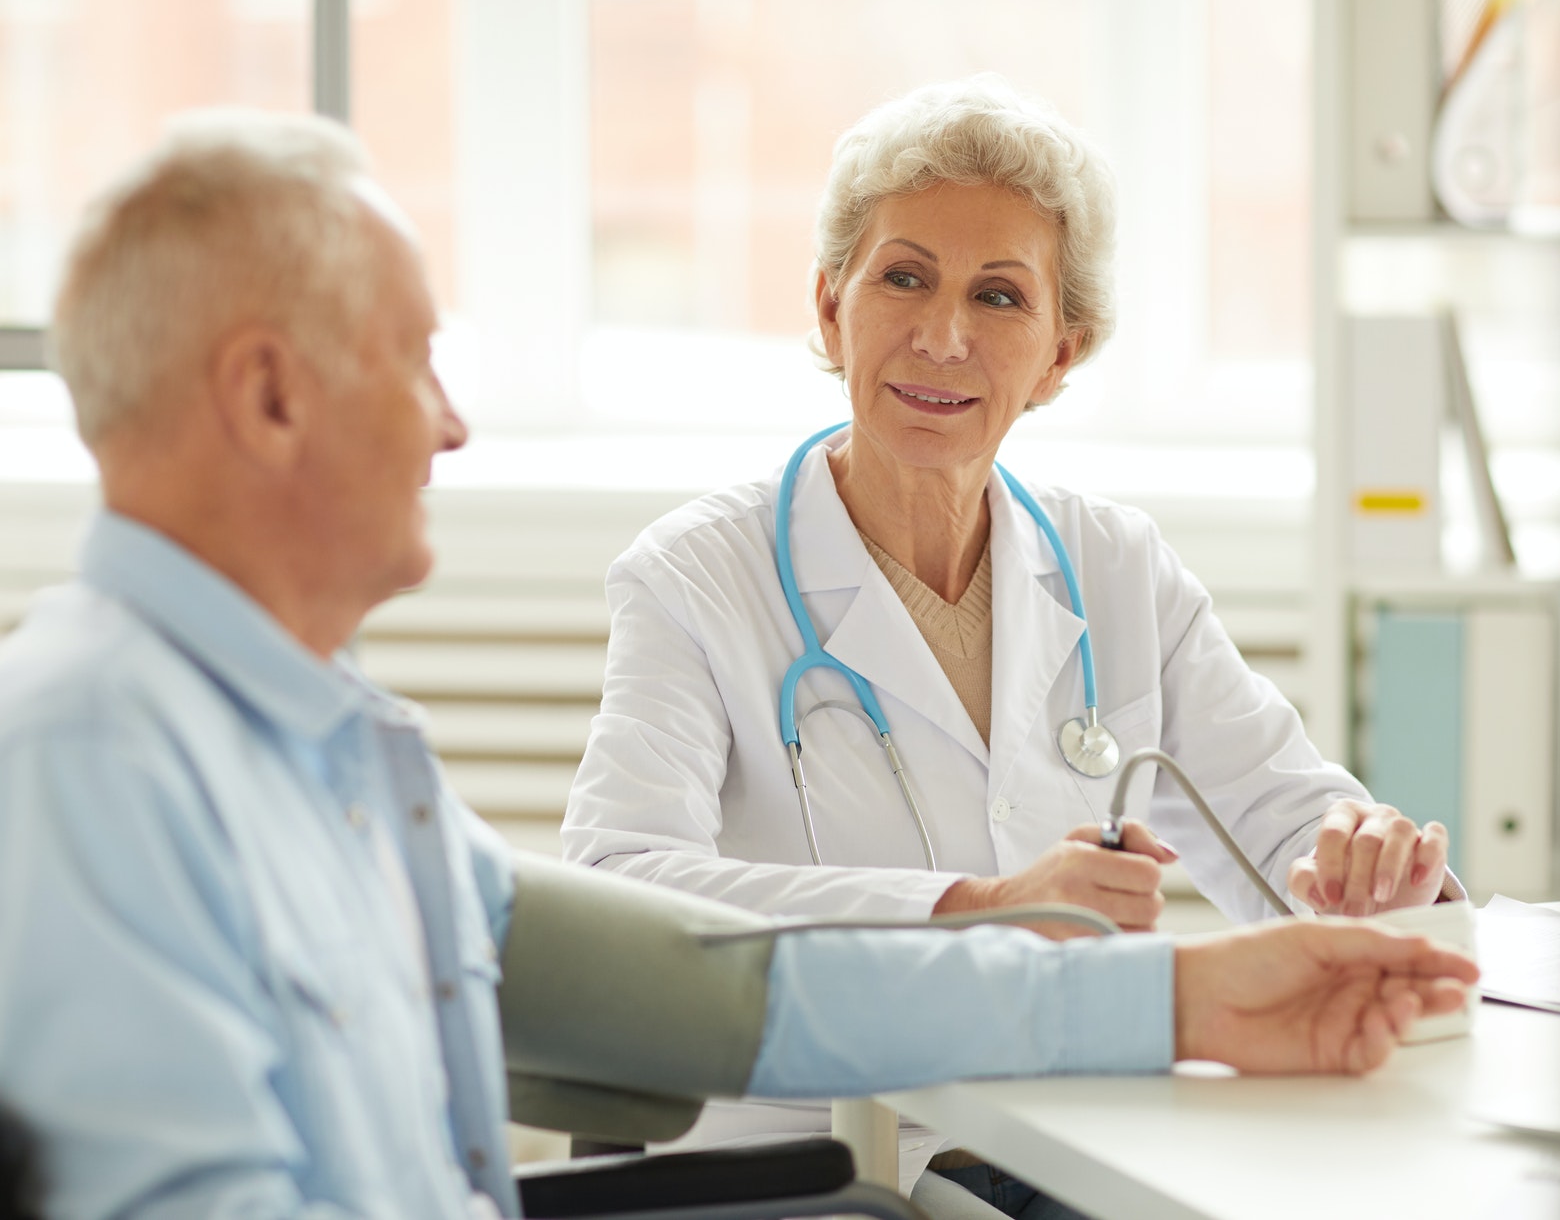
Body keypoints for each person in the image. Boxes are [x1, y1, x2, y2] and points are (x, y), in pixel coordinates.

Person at [0, 109, 1476, 1219]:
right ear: (267, 397)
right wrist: (1010, 918)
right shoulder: (90, 758)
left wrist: (1189, 1001)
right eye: (415, 359)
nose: (453, 426)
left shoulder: (333, 753)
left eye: (1003, 299)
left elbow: (721, 998)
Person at [559, 76, 1467, 1207]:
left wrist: (1369, 870)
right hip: (799, 1166)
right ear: (832, 306)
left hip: (1060, 1143)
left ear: (1057, 356)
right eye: (903, 277)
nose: (942, 336)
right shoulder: (694, 578)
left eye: (998, 296)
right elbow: (613, 892)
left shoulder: (1116, 567)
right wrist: (971, 914)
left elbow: (1281, 829)